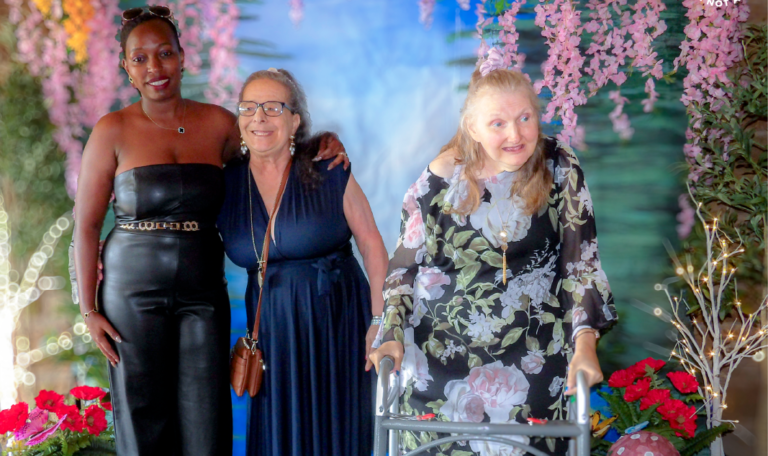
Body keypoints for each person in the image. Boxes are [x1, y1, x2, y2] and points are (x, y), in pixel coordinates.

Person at [73, 7, 347, 455]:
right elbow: (85, 227)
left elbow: (269, 150)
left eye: (164, 54)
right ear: (126, 68)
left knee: (207, 418)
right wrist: (88, 309)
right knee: (143, 417)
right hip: (130, 291)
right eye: (139, 59)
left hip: (203, 289)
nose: (154, 68)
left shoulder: (220, 123)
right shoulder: (112, 130)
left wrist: (318, 142)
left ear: (183, 57)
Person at [369, 68, 618, 455]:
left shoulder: (560, 166)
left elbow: (580, 264)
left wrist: (585, 343)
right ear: (472, 127)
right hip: (439, 363)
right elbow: (404, 269)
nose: (515, 135)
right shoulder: (439, 178)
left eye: (525, 118)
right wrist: (390, 335)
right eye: (498, 123)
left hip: (533, 361)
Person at [216, 68, 388, 456]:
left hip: (338, 324)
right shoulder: (224, 184)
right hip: (273, 334)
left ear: (295, 121)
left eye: (273, 107)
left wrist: (379, 321)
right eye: (249, 107)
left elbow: (372, 243)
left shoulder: (329, 169)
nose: (259, 117)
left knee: (339, 434)